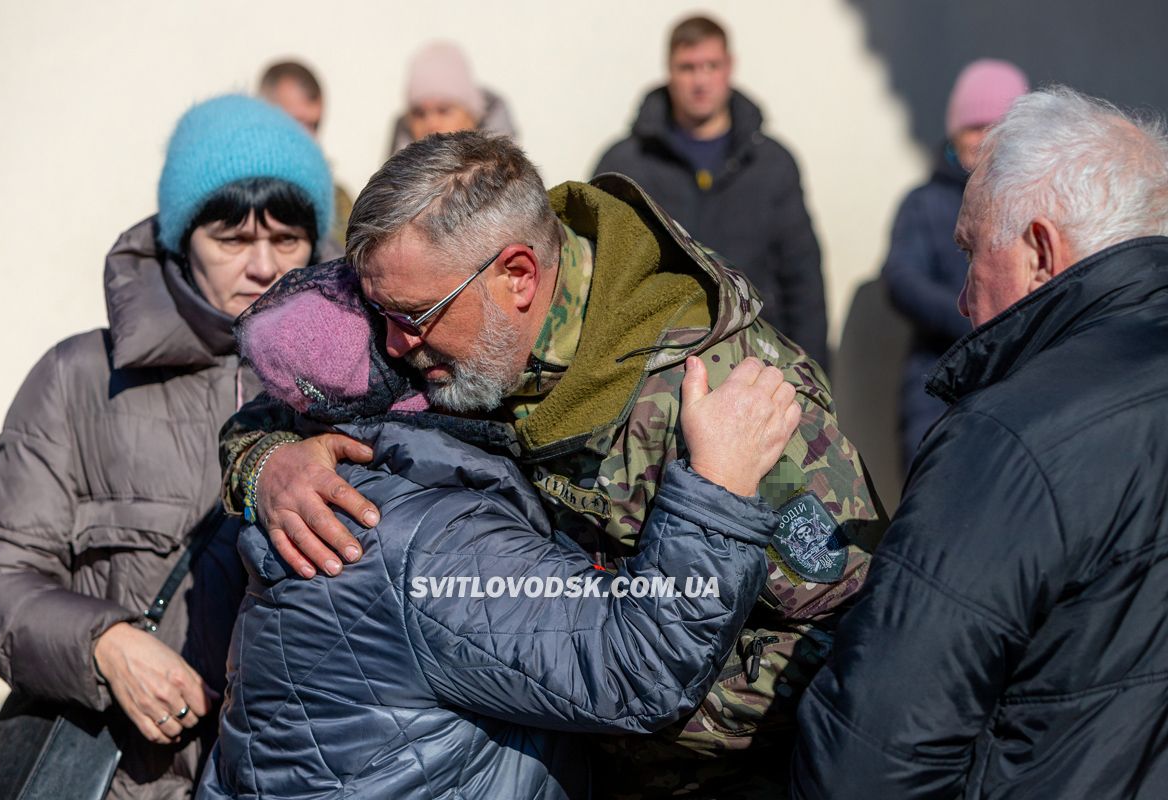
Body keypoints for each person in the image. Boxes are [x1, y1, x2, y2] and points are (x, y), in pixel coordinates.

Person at [219, 131, 885, 797]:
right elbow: (292, 388)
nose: (395, 343)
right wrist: (269, 465)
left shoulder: (719, 398)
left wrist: (601, 719)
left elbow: (846, 636)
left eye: (413, 317)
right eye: (381, 314)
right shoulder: (445, 329)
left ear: (518, 276)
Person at [194, 258, 800, 799]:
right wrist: (716, 488)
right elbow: (635, 662)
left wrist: (262, 457)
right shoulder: (430, 539)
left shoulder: (323, 485)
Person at [792, 87, 1168, 799]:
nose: (964, 298)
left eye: (970, 252)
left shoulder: (1008, 439)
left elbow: (869, 761)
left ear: (1039, 252)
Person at [0, 94, 333, 799]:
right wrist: (101, 645)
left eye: (287, 239)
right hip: (127, 782)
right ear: (179, 238)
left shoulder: (355, 392)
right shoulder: (78, 380)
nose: (263, 266)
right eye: (231, 239)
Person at [594, 15, 829, 368]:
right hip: (656, 368)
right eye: (687, 67)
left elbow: (803, 279)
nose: (700, 81)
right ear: (669, 71)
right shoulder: (625, 164)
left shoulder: (772, 163)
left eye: (711, 65)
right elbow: (602, 277)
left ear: (729, 68)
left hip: (755, 361)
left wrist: (812, 373)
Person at [882, 59, 1028, 468]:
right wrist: (975, 320)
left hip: (1014, 373)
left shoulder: (1030, 204)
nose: (982, 139)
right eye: (973, 126)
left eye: (995, 128)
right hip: (938, 376)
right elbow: (902, 278)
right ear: (953, 129)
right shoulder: (924, 202)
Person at [260, 60, 356, 246]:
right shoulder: (239, 196)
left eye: (314, 125)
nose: (309, 138)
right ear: (265, 115)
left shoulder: (336, 199)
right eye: (298, 123)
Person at [387, 40, 519, 155]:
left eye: (444, 110)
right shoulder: (389, 180)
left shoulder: (513, 179)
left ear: (471, 115)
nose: (431, 124)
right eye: (419, 114)